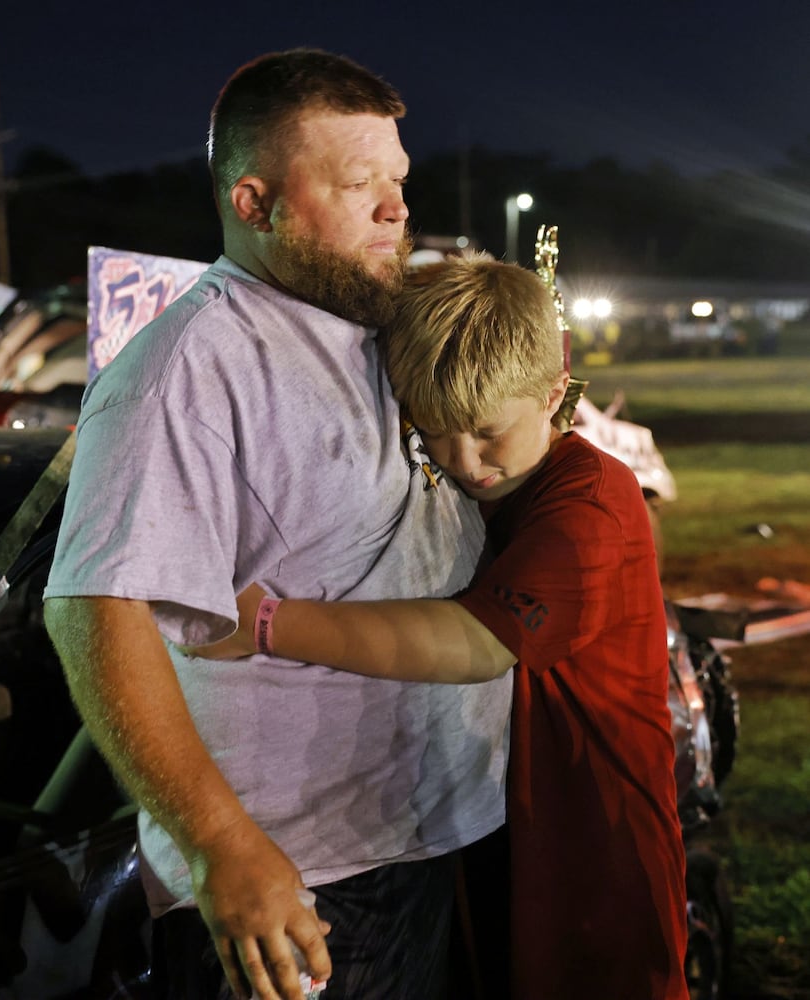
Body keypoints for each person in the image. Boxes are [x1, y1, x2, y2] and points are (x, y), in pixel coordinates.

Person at [42, 49, 511, 1000]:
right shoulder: (189, 370)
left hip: (427, 828)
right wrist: (222, 848)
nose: (394, 208)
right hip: (299, 883)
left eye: (397, 181)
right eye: (355, 183)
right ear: (255, 204)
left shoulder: (376, 322)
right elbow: (92, 610)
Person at [206, 251, 690, 999]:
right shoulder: (476, 483)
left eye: (486, 432)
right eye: (431, 433)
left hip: (590, 836)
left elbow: (475, 643)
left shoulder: (592, 503)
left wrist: (267, 623)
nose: (464, 462)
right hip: (499, 823)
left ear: (555, 390)